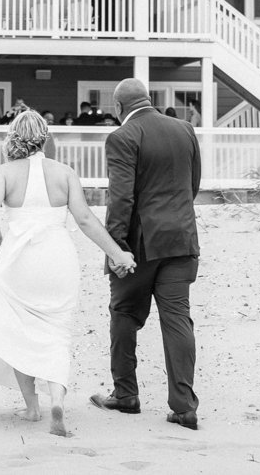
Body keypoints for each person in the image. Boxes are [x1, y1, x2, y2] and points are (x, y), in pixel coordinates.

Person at [0, 109, 136, 438]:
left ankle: (33, 408)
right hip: (58, 259)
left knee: (20, 331)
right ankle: (57, 401)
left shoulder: (5, 173)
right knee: (57, 332)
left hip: (19, 260)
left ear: (13, 136)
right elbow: (86, 220)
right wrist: (117, 254)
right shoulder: (63, 172)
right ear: (45, 137)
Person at [90, 77, 202, 430]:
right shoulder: (184, 129)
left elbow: (120, 198)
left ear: (118, 107)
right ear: (149, 99)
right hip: (182, 239)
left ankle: (125, 395)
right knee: (177, 319)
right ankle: (184, 407)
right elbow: (193, 184)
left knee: (123, 312)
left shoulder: (122, 137)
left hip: (139, 244)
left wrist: (115, 247)